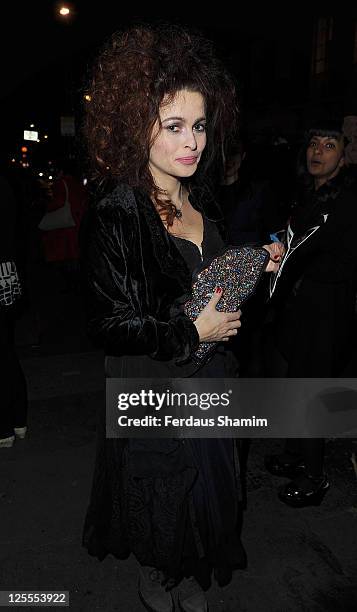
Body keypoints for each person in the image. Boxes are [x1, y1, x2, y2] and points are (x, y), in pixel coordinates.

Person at [80, 24, 281, 612]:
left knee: (208, 488)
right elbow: (108, 322)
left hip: (214, 378)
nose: (191, 142)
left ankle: (189, 566)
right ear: (133, 125)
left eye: (198, 125)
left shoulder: (202, 197)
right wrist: (192, 331)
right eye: (173, 127)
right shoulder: (119, 207)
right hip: (153, 380)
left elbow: (209, 282)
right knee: (162, 486)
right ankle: (158, 573)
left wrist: (252, 266)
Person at [264, 119, 357, 508]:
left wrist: (295, 261)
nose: (318, 151)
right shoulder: (309, 192)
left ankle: (315, 476)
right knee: (295, 377)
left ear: (343, 154)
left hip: (328, 306)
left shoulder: (347, 197)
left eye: (329, 146)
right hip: (302, 302)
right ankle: (295, 453)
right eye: (314, 143)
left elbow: (341, 258)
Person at [0, 173, 28, 447]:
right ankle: (17, 420)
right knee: (6, 349)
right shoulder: (5, 185)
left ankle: (4, 427)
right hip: (7, 274)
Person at [40, 156, 88, 293]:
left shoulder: (61, 184)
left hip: (65, 225)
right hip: (77, 222)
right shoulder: (78, 183)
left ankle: (68, 286)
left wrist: (46, 205)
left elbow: (57, 203)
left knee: (64, 255)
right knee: (74, 254)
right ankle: (76, 285)